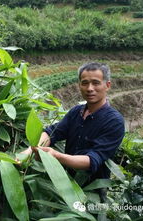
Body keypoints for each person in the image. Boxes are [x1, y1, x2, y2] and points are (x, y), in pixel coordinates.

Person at [21, 62, 125, 196]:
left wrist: (56, 156)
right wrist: (30, 151)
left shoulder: (114, 121)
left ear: (107, 85)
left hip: (91, 192)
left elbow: (93, 159)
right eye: (85, 83)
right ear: (79, 85)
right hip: (65, 182)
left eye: (96, 83)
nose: (89, 88)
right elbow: (51, 133)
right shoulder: (76, 112)